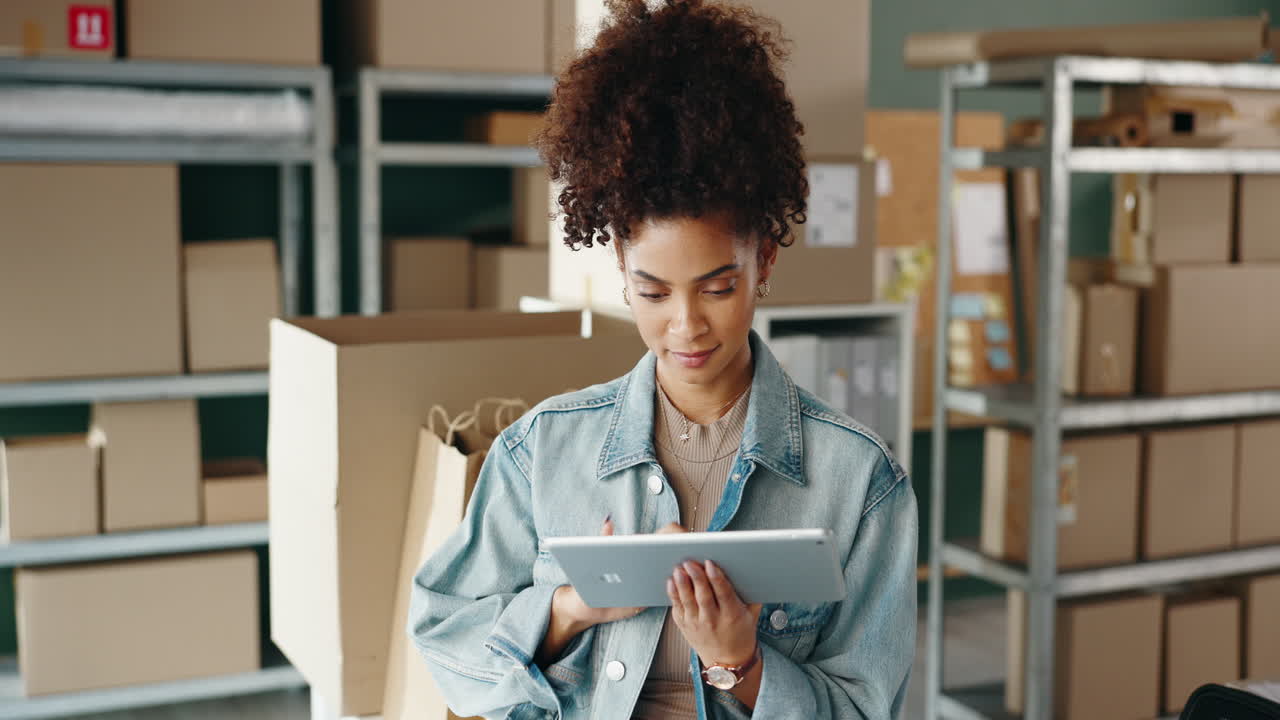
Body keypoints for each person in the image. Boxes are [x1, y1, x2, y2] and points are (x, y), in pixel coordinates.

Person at [407, 1, 918, 718]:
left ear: (764, 259)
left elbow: (867, 709)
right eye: (652, 291)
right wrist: (570, 608)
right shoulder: (543, 449)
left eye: (718, 287)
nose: (686, 327)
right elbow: (441, 631)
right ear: (618, 262)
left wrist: (739, 663)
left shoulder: (861, 484)